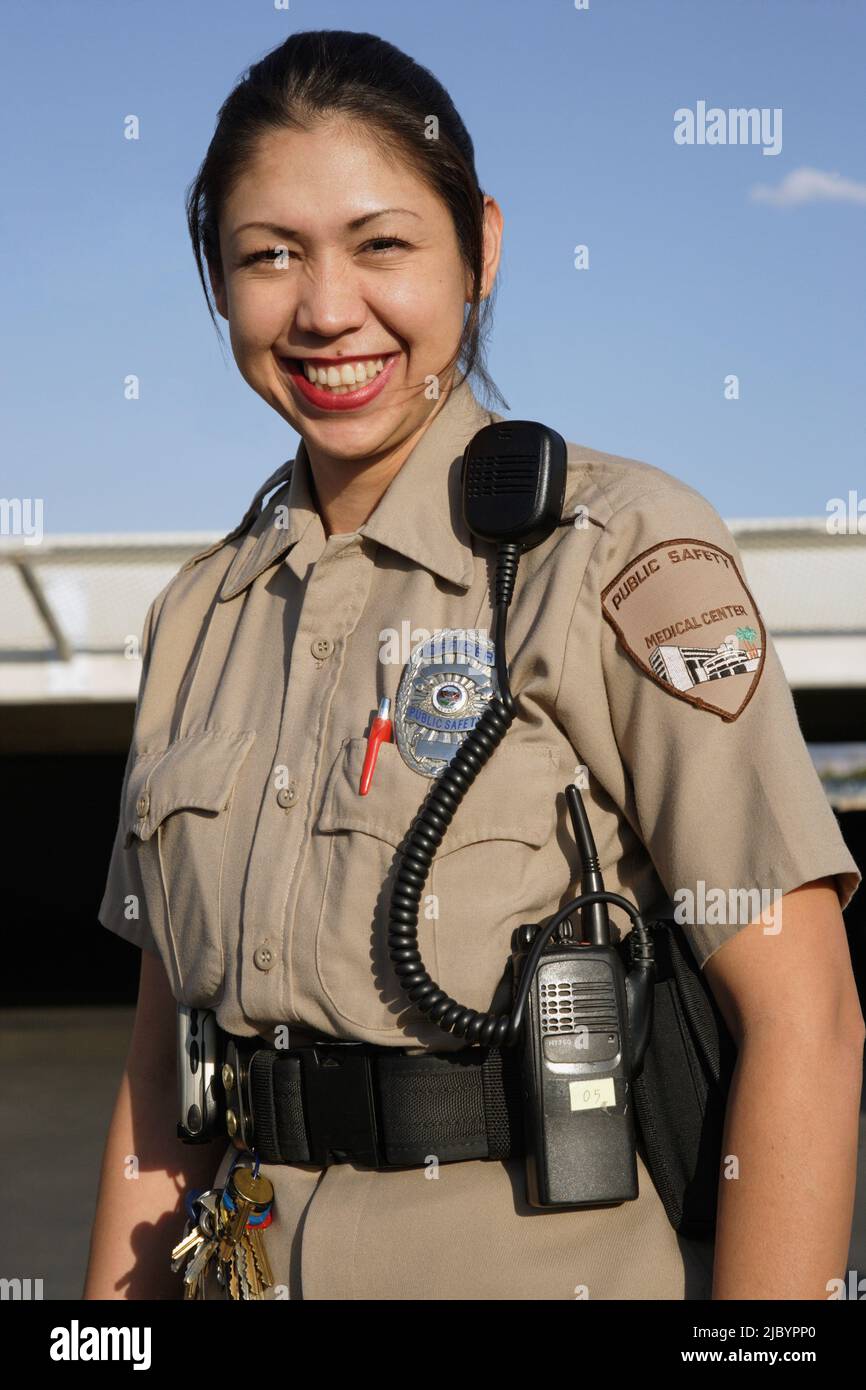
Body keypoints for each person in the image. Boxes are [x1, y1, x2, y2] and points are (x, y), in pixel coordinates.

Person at [84, 29, 864, 1302]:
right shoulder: (197, 618)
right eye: (267, 254)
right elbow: (161, 1072)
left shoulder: (619, 554)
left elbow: (806, 1024)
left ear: (479, 248)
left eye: (380, 244)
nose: (326, 308)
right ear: (220, 285)